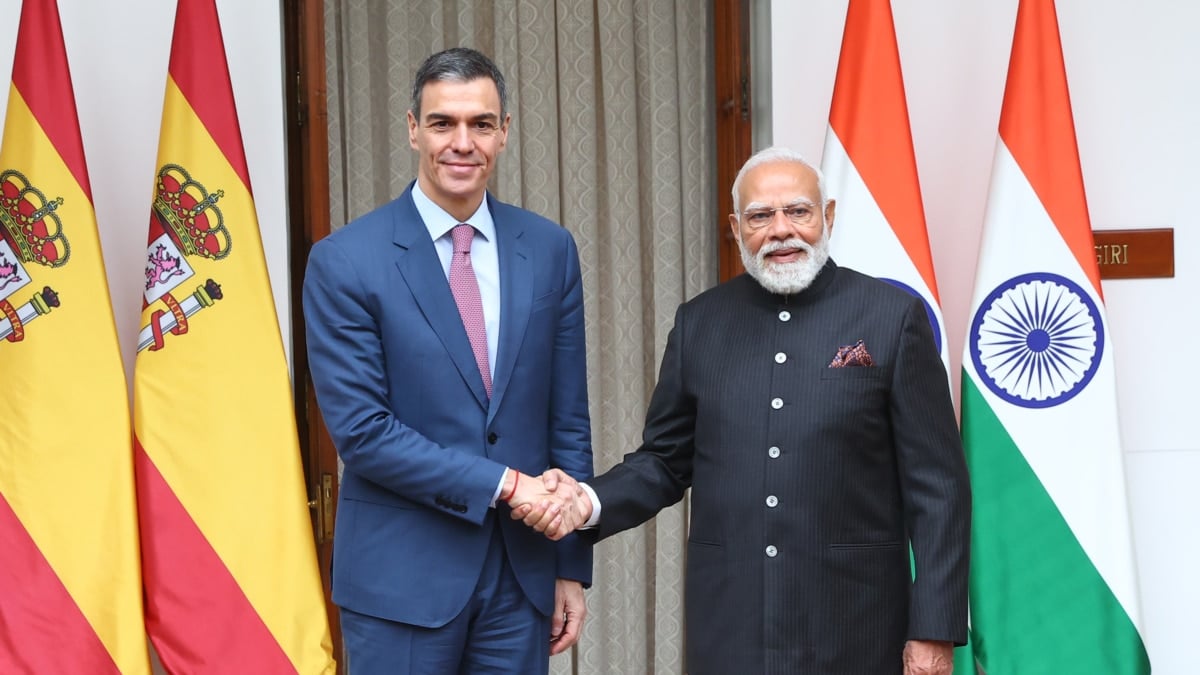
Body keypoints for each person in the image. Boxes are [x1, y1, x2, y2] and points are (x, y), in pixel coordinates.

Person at [518, 146, 971, 674]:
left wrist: (933, 630)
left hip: (857, 626)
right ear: (737, 228)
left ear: (827, 217)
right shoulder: (700, 324)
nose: (781, 230)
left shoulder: (893, 318)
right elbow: (663, 462)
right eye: (761, 216)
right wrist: (586, 502)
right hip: (730, 629)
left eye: (798, 211)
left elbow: (937, 486)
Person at [303, 47, 593, 675]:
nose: (462, 143)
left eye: (480, 124)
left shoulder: (548, 250)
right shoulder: (345, 261)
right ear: (413, 129)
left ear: (505, 132)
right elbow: (363, 433)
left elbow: (567, 418)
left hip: (522, 579)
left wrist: (570, 562)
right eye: (443, 123)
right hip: (401, 584)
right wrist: (507, 483)